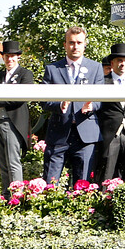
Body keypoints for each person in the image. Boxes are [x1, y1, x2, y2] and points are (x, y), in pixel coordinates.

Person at [40, 26, 103, 185]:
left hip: (85, 134)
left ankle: (82, 210)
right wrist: (59, 104)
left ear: (84, 44)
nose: (75, 46)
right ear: (65, 44)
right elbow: (43, 100)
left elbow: (101, 98)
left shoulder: (96, 68)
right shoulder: (52, 69)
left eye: (79, 43)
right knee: (50, 183)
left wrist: (92, 106)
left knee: (83, 184)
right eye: (71, 43)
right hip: (59, 133)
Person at [0, 40, 34, 198]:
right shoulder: (0, 75)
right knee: (2, 161)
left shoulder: (25, 74)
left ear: (18, 57)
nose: (9, 59)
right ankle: (6, 195)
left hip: (13, 123)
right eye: (6, 56)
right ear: (3, 57)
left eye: (12, 56)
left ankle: (17, 196)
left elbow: (21, 98)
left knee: (13, 161)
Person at [96, 43, 125, 183]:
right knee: (106, 176)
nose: (123, 64)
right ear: (112, 62)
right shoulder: (102, 83)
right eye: (119, 60)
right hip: (109, 135)